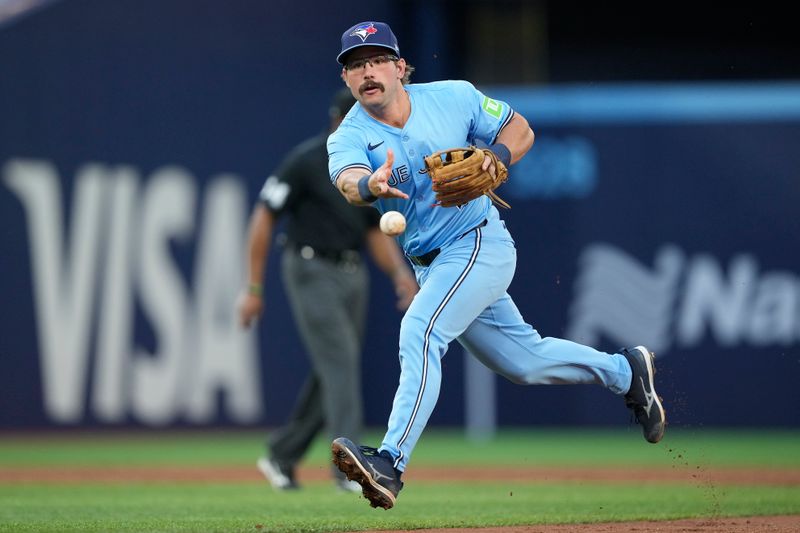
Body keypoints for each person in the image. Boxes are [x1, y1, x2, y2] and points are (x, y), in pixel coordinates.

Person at [326, 21, 667, 509]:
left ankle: (390, 462)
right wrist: (369, 187)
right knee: (523, 362)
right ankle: (624, 372)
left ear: (401, 67)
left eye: (377, 60)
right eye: (356, 66)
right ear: (347, 80)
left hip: (478, 242)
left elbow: (519, 128)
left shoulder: (453, 96)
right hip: (431, 263)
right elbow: (348, 180)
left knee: (420, 332)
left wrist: (495, 155)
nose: (367, 72)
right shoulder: (350, 135)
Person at [238, 87, 419, 492]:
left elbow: (373, 231)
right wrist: (253, 287)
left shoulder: (368, 167)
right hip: (309, 266)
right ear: (340, 121)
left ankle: (281, 454)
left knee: (333, 369)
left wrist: (400, 275)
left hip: (352, 272)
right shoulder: (306, 161)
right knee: (340, 362)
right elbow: (264, 217)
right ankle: (348, 471)